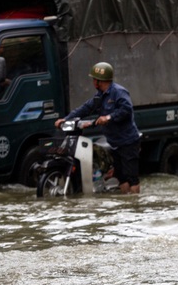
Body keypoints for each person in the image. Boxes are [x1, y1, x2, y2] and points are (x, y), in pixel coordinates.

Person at [55, 62, 141, 194]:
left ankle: (135, 205)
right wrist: (65, 119)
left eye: (94, 79)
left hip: (128, 142)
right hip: (114, 143)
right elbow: (84, 109)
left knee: (132, 178)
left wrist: (108, 117)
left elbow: (126, 109)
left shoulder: (118, 92)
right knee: (122, 178)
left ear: (99, 81)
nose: (93, 82)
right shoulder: (99, 96)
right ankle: (127, 206)